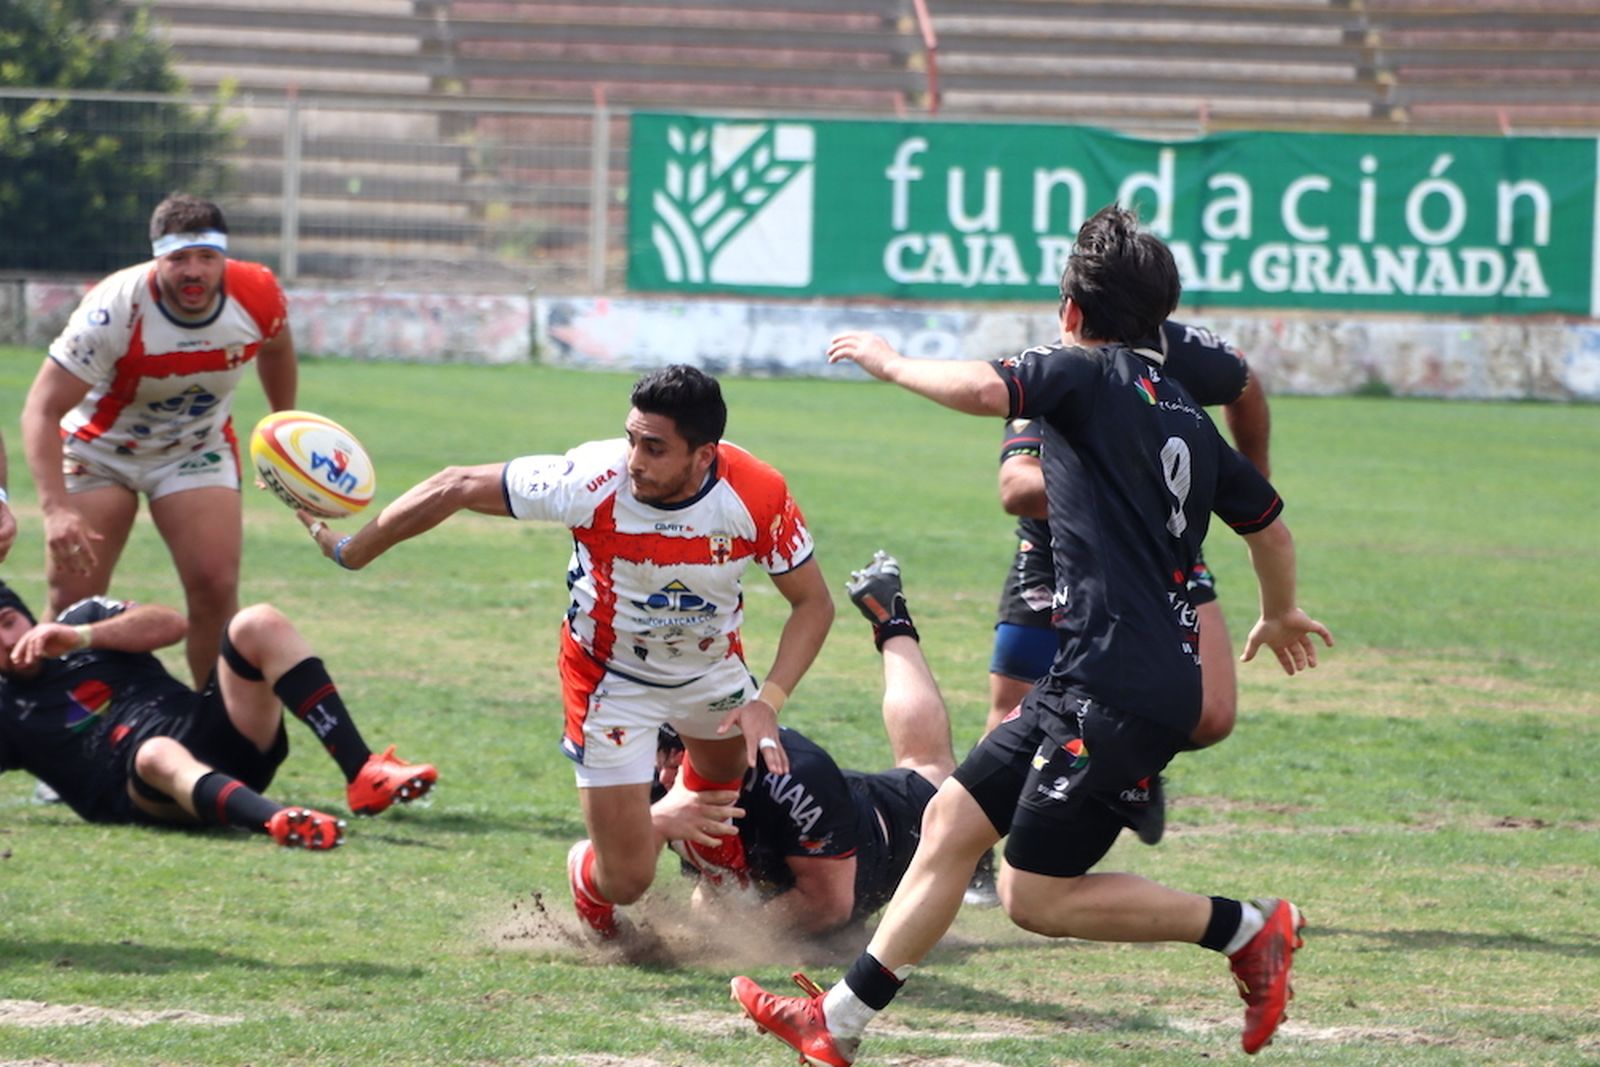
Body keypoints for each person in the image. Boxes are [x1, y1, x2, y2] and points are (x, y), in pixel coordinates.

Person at [731, 205, 1333, 1061]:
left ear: (1072, 314)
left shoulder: (1083, 374)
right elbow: (1269, 528)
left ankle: (1249, 928)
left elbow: (985, 391)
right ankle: (836, 1023)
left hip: (1115, 688)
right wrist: (1277, 610)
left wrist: (889, 360)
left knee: (1034, 897)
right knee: (948, 825)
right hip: (1103, 676)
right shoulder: (1191, 419)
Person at [298, 364, 835, 941]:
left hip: (708, 671)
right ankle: (590, 876)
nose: (635, 460)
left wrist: (768, 702)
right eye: (632, 439)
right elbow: (454, 484)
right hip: (610, 681)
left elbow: (814, 605)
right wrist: (352, 551)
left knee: (724, 770)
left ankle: (709, 862)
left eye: (655, 448)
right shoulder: (590, 479)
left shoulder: (756, 495)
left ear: (704, 455)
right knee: (628, 879)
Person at [963, 320, 1271, 903]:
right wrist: (1119, 487)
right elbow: (1016, 487)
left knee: (1212, 715)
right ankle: (975, 854)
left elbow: (1245, 385)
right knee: (1010, 709)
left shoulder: (1184, 352)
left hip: (1159, 557)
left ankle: (1125, 769)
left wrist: (1252, 473)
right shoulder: (1058, 367)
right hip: (1056, 553)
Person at [22, 193, 298, 688]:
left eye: (206, 258)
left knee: (216, 590)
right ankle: (51, 741)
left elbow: (277, 349)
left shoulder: (256, 294)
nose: (194, 272)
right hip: (100, 452)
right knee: (72, 605)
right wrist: (55, 510)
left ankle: (217, 730)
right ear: (157, 259)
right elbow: (41, 408)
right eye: (179, 259)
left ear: (223, 258)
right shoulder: (113, 310)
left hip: (194, 449)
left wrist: (285, 431)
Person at [0, 580, 437, 849]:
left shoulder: (80, 622)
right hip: (146, 792)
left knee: (257, 622)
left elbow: (170, 625)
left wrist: (81, 636)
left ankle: (363, 772)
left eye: (7, 621)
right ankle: (273, 820)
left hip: (214, 733)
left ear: (22, 612)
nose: (6, 640)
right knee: (156, 752)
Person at [651, 551, 953, 937]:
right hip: (789, 840)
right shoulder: (654, 778)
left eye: (678, 756)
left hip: (888, 831)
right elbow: (714, 888)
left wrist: (729, 942)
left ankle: (890, 618)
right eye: (661, 753)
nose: (664, 774)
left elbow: (828, 905)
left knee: (930, 769)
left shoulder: (793, 776)